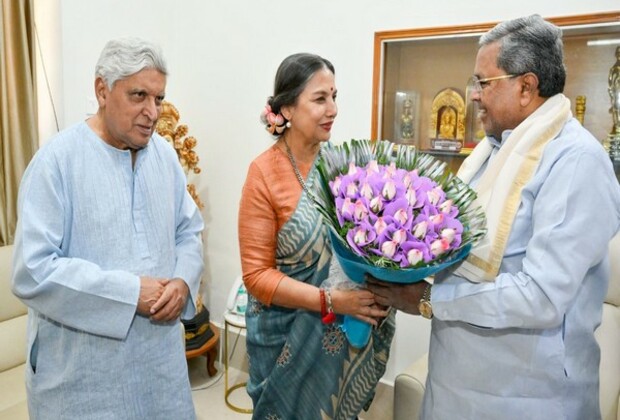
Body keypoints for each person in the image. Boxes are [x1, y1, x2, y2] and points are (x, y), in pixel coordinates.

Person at [367, 15, 620, 420]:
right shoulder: (493, 152)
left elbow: (540, 297)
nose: (473, 96)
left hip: (525, 396)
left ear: (526, 86)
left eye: (484, 83)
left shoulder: (576, 163)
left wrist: (430, 298)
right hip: (457, 381)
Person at [11, 37, 204, 419]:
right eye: (139, 96)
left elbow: (188, 231)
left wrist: (182, 281)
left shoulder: (164, 156)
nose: (153, 112)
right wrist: (130, 292)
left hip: (159, 370)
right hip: (83, 378)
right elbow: (32, 270)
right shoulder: (57, 162)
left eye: (159, 99)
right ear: (102, 90)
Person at [238, 52, 395, 420]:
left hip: (340, 341)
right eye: (320, 98)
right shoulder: (263, 174)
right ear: (288, 109)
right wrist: (330, 301)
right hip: (284, 342)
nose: (333, 109)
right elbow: (256, 276)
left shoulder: (343, 167)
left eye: (334, 97)